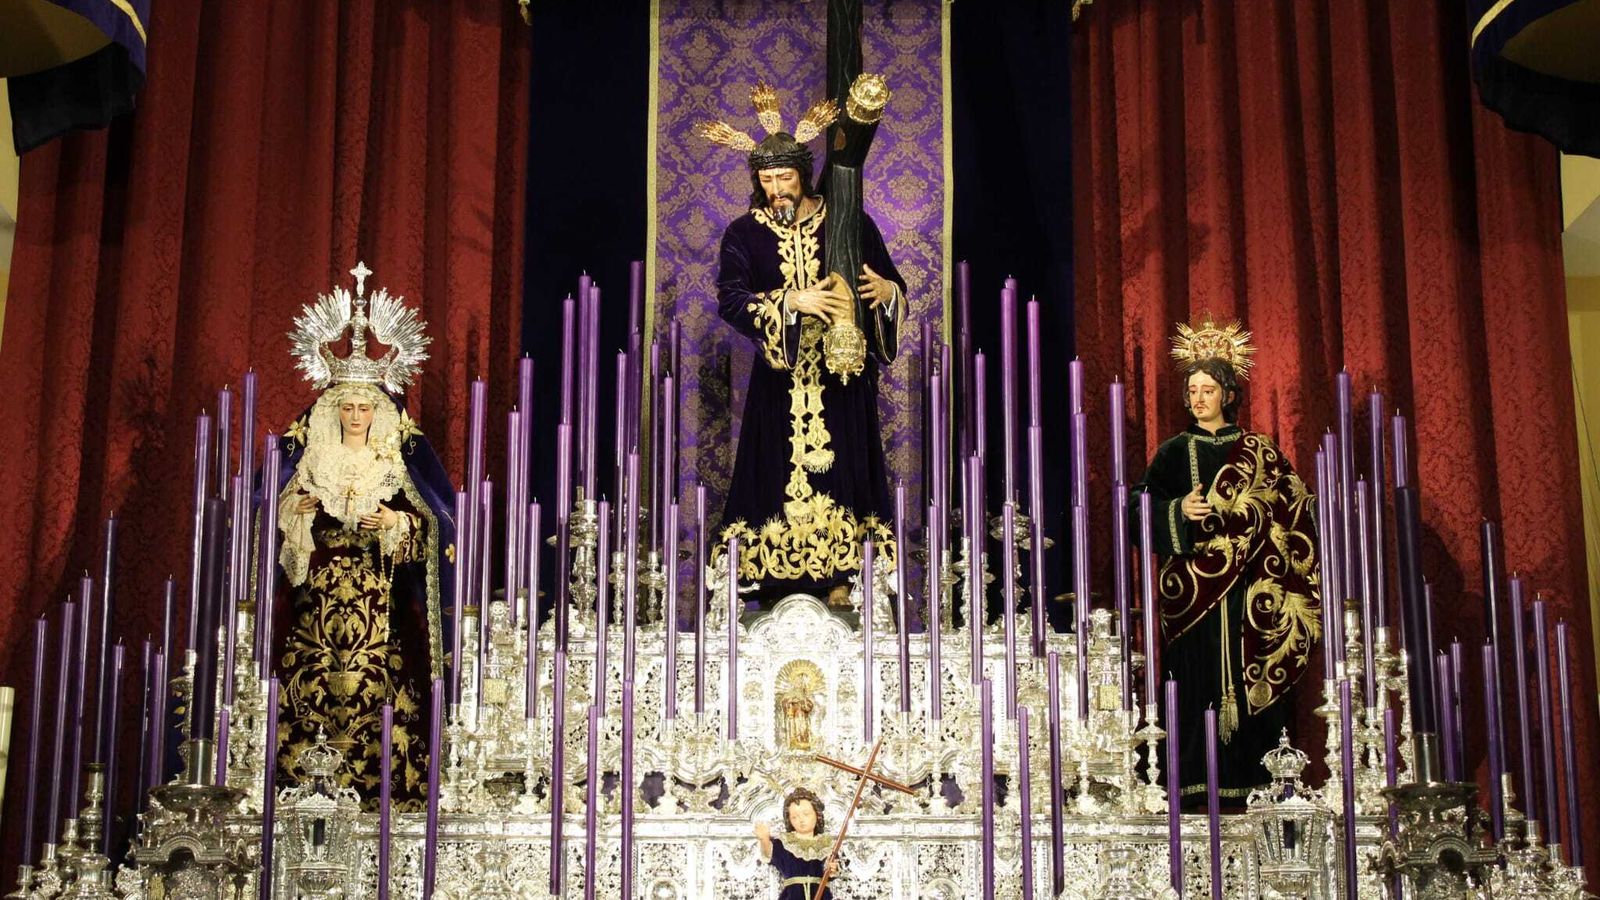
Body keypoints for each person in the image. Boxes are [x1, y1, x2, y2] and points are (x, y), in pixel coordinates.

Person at [698, 83, 906, 605]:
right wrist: (792, 301)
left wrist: (886, 294)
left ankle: (845, 579)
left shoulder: (848, 221)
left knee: (846, 470)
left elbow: (889, 283)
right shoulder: (744, 233)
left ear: (803, 174)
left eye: (785, 178)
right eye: (767, 181)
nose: (777, 191)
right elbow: (731, 299)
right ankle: (775, 584)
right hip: (780, 379)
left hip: (841, 376)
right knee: (772, 474)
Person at [269, 265, 455, 810]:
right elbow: (272, 516)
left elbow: (436, 522)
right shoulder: (313, 458)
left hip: (379, 603)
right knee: (307, 688)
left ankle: (383, 799)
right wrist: (294, 512)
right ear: (335, 410)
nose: (355, 416)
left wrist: (396, 523)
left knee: (383, 693)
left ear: (378, 411)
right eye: (347, 407)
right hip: (318, 603)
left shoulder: (394, 463)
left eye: (364, 407)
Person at [1130, 319, 1321, 804]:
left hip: (1253, 590)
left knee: (1252, 675)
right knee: (1194, 687)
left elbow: (1293, 507)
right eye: (1192, 390)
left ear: (1229, 395)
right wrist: (1179, 510)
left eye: (1208, 390)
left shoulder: (1259, 451)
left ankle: (1263, 787)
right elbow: (1138, 508)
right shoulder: (1174, 453)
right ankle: (1195, 787)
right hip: (1193, 592)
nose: (1198, 399)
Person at [755, 787, 843, 900]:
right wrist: (764, 839)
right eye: (795, 817)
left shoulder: (827, 844)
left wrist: (832, 869)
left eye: (806, 814)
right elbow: (768, 855)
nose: (801, 820)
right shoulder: (784, 842)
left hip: (821, 895)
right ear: (789, 820)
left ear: (817, 814)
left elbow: (833, 868)